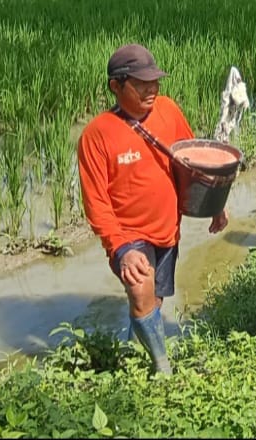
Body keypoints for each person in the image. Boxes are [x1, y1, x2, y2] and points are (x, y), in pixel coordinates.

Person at [78, 43, 228, 374]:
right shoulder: (97, 135)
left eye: (155, 82)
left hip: (167, 228)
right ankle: (163, 369)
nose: (152, 90)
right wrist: (120, 248)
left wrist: (215, 203)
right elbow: (96, 202)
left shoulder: (168, 110)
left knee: (153, 300)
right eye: (141, 84)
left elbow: (191, 162)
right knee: (140, 286)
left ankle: (133, 353)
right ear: (116, 86)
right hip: (128, 234)